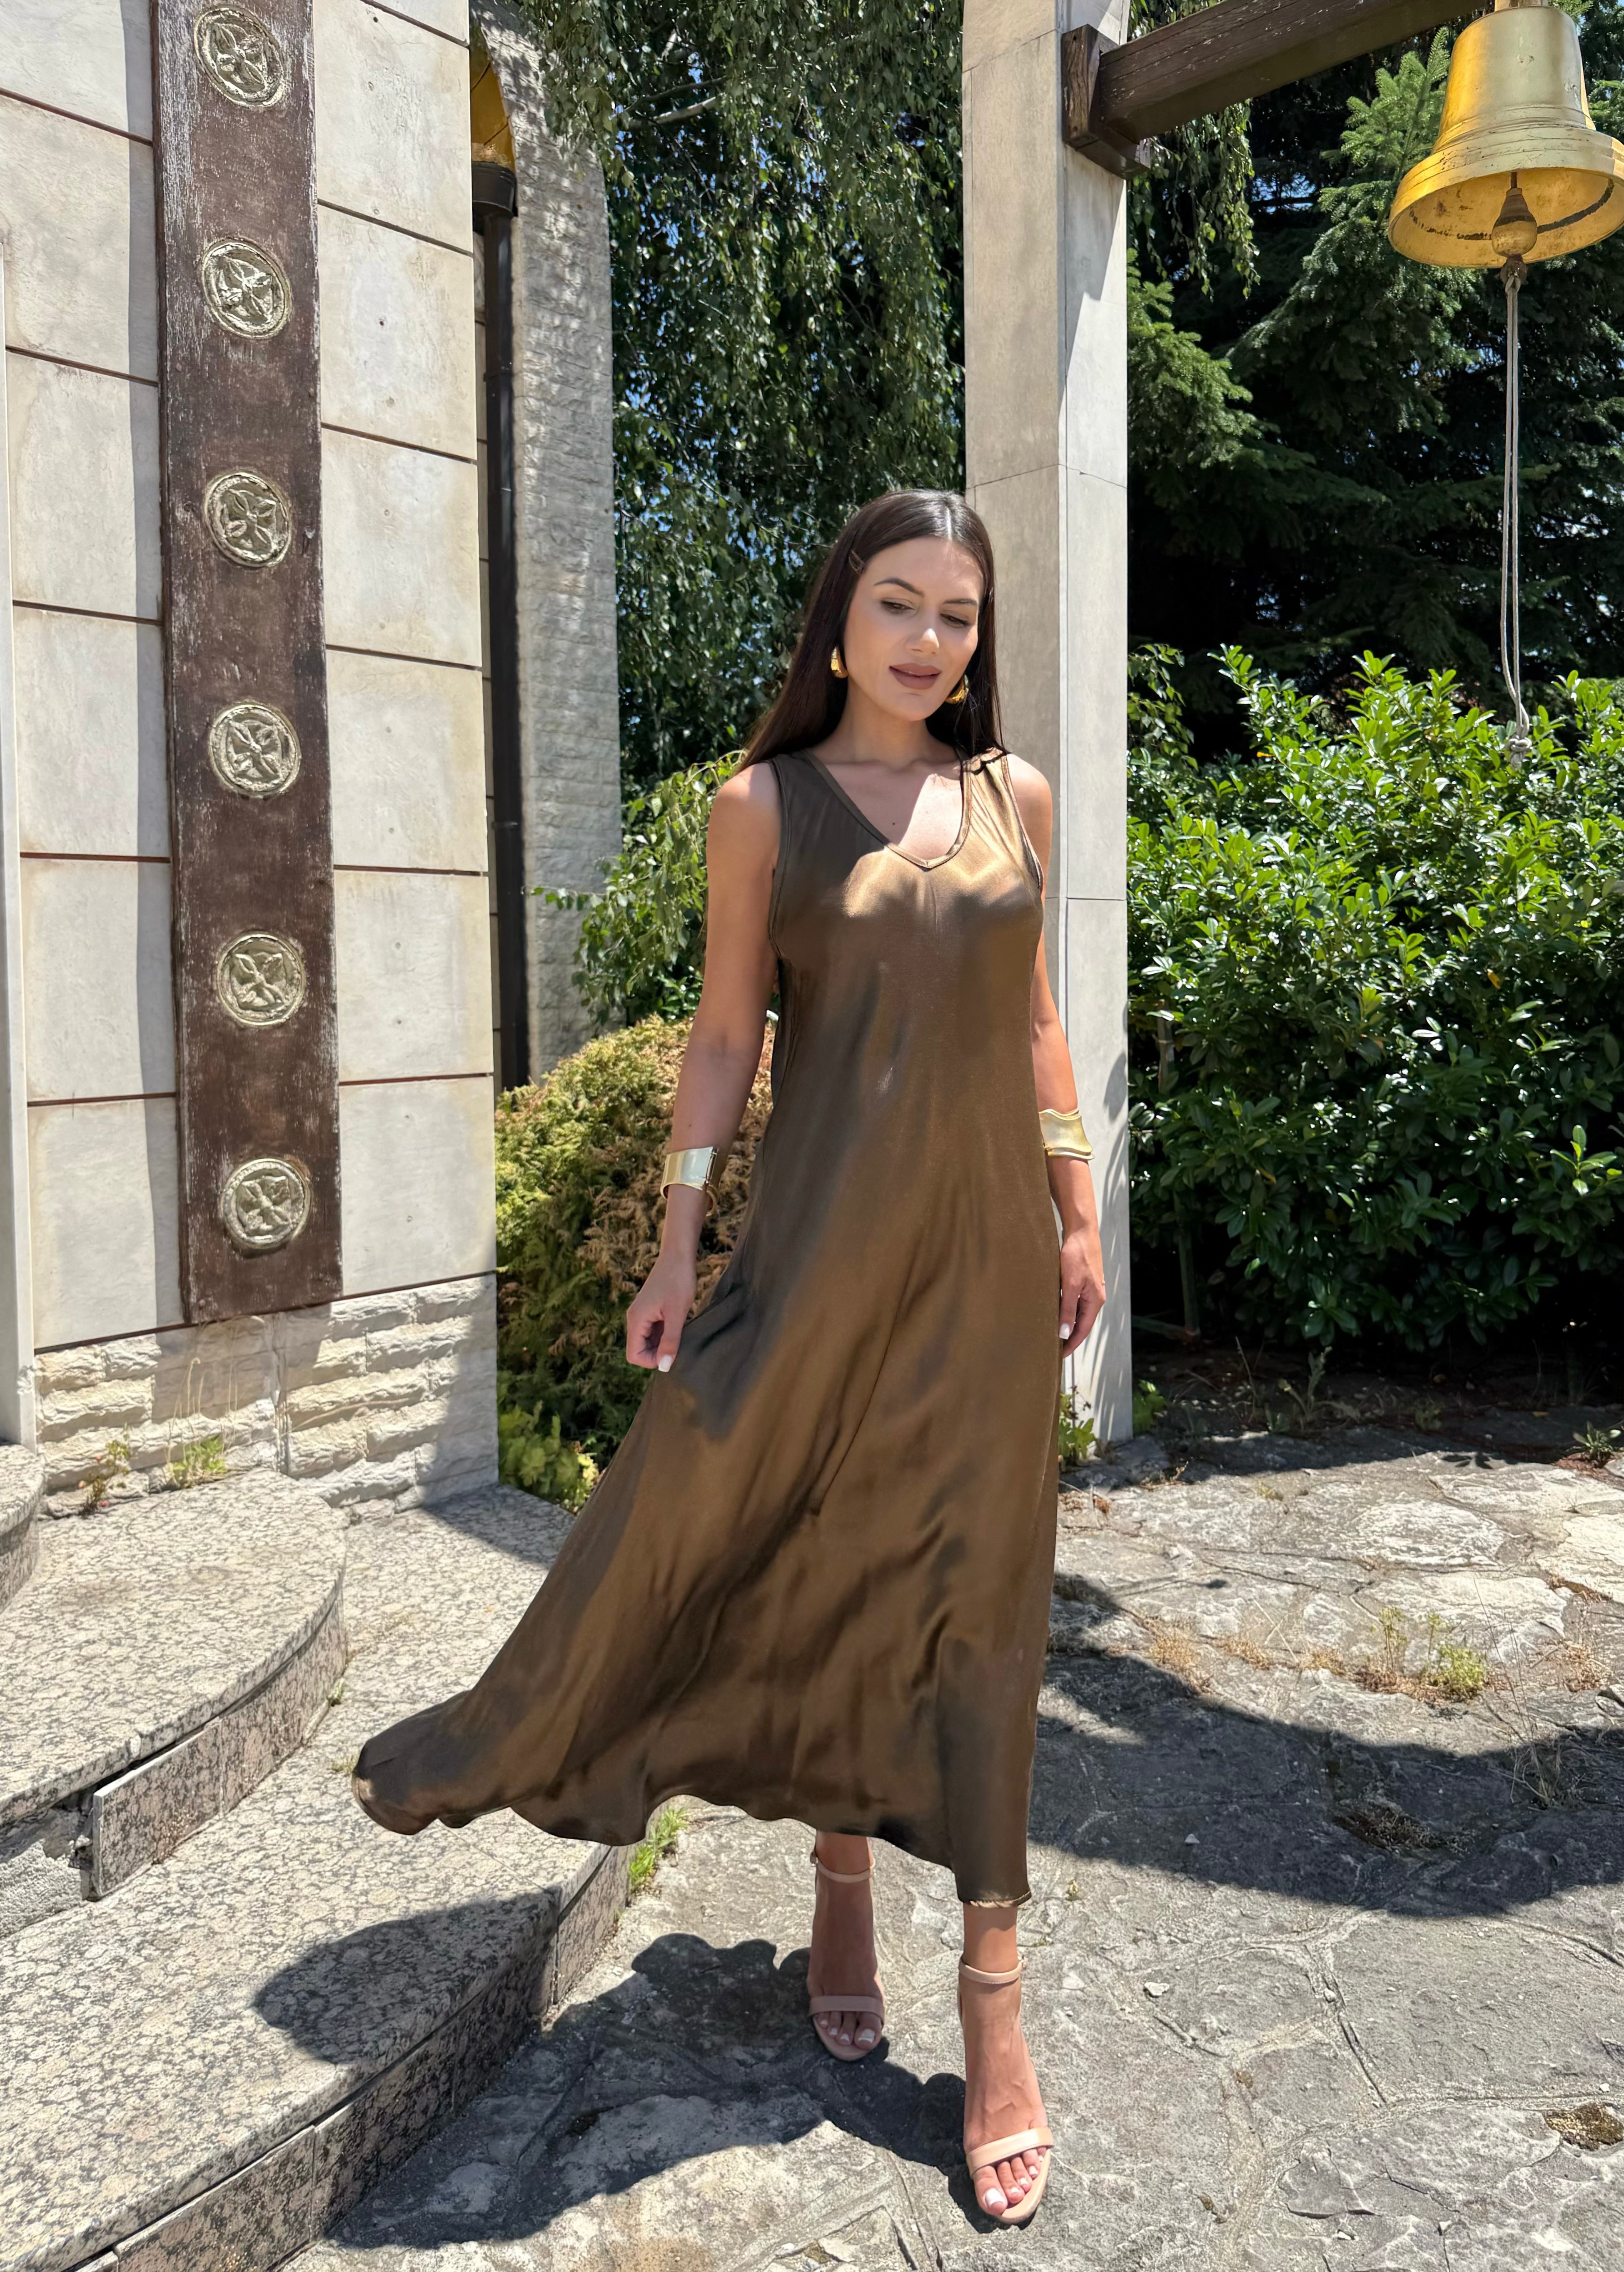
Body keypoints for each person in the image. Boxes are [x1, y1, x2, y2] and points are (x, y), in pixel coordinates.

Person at [352, 488, 1106, 2228]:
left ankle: (992, 1989)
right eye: (900, 603)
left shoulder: (1016, 795)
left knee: (981, 1593)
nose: (931, 641)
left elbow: (1036, 1020)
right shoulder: (762, 805)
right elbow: (720, 1035)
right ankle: (839, 1875)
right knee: (794, 1536)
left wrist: (1078, 1213)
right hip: (822, 1252)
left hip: (990, 1263)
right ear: (840, 614)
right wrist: (678, 1237)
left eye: (960, 615)